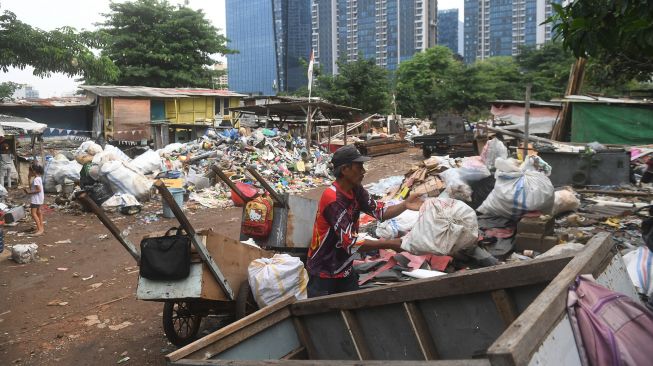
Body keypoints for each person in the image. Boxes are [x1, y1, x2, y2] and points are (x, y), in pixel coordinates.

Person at [306, 145, 424, 297]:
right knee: (324, 317)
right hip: (324, 272)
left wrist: (405, 204)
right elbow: (351, 243)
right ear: (345, 169)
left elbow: (379, 212)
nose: (363, 171)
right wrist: (389, 244)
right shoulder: (333, 199)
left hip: (344, 267)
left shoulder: (356, 190)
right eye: (359, 166)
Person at [24, 164, 45, 236]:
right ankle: (41, 228)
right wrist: (29, 178)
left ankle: (39, 229)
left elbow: (38, 190)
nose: (29, 173)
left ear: (33, 171)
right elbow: (32, 188)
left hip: (35, 199)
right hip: (39, 198)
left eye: (30, 171)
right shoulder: (38, 178)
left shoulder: (36, 179)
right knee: (39, 212)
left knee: (33, 214)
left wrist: (29, 192)